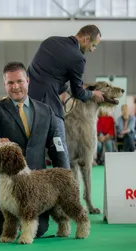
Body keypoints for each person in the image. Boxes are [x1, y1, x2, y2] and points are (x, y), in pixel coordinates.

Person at [0, 61, 67, 239]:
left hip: (35, 185)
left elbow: (57, 146)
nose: (16, 87)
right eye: (10, 83)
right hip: (3, 182)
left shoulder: (47, 110)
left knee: (40, 230)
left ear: (27, 80)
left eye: (19, 81)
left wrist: (66, 174)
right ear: (4, 84)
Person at [27, 24, 105, 169]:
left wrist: (66, 89)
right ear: (86, 39)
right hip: (47, 107)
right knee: (61, 153)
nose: (92, 50)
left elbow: (46, 75)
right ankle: (66, 189)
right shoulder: (78, 58)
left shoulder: (50, 41)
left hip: (26, 102)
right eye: (93, 45)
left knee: (33, 153)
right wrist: (93, 93)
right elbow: (78, 93)